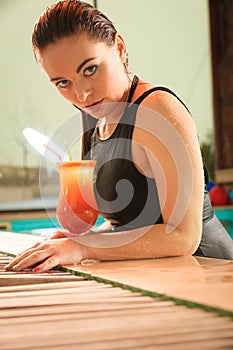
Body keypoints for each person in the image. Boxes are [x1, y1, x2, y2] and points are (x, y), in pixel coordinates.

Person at [5, 0, 233, 273]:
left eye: (90, 69)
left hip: (211, 274)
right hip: (160, 279)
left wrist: (83, 247)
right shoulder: (95, 120)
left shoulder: (157, 109)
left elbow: (184, 236)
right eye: (63, 83)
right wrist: (78, 240)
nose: (81, 95)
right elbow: (126, 228)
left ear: (120, 48)